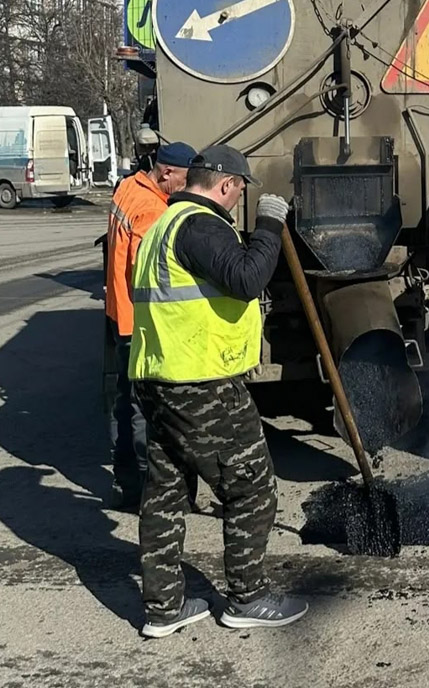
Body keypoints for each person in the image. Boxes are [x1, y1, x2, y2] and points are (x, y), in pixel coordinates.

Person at [130, 144, 307, 638]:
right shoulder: (199, 225)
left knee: (166, 492)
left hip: (159, 377)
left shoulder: (163, 224)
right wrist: (269, 225)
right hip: (200, 384)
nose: (238, 200)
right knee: (251, 486)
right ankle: (248, 597)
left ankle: (164, 606)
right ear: (227, 184)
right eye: (240, 192)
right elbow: (247, 278)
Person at [104, 141, 194, 510]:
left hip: (119, 312)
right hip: (138, 321)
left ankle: (125, 483)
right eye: (184, 180)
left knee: (124, 403)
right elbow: (148, 274)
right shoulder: (152, 210)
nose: (186, 187)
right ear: (166, 172)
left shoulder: (128, 186)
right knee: (144, 407)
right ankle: (145, 489)